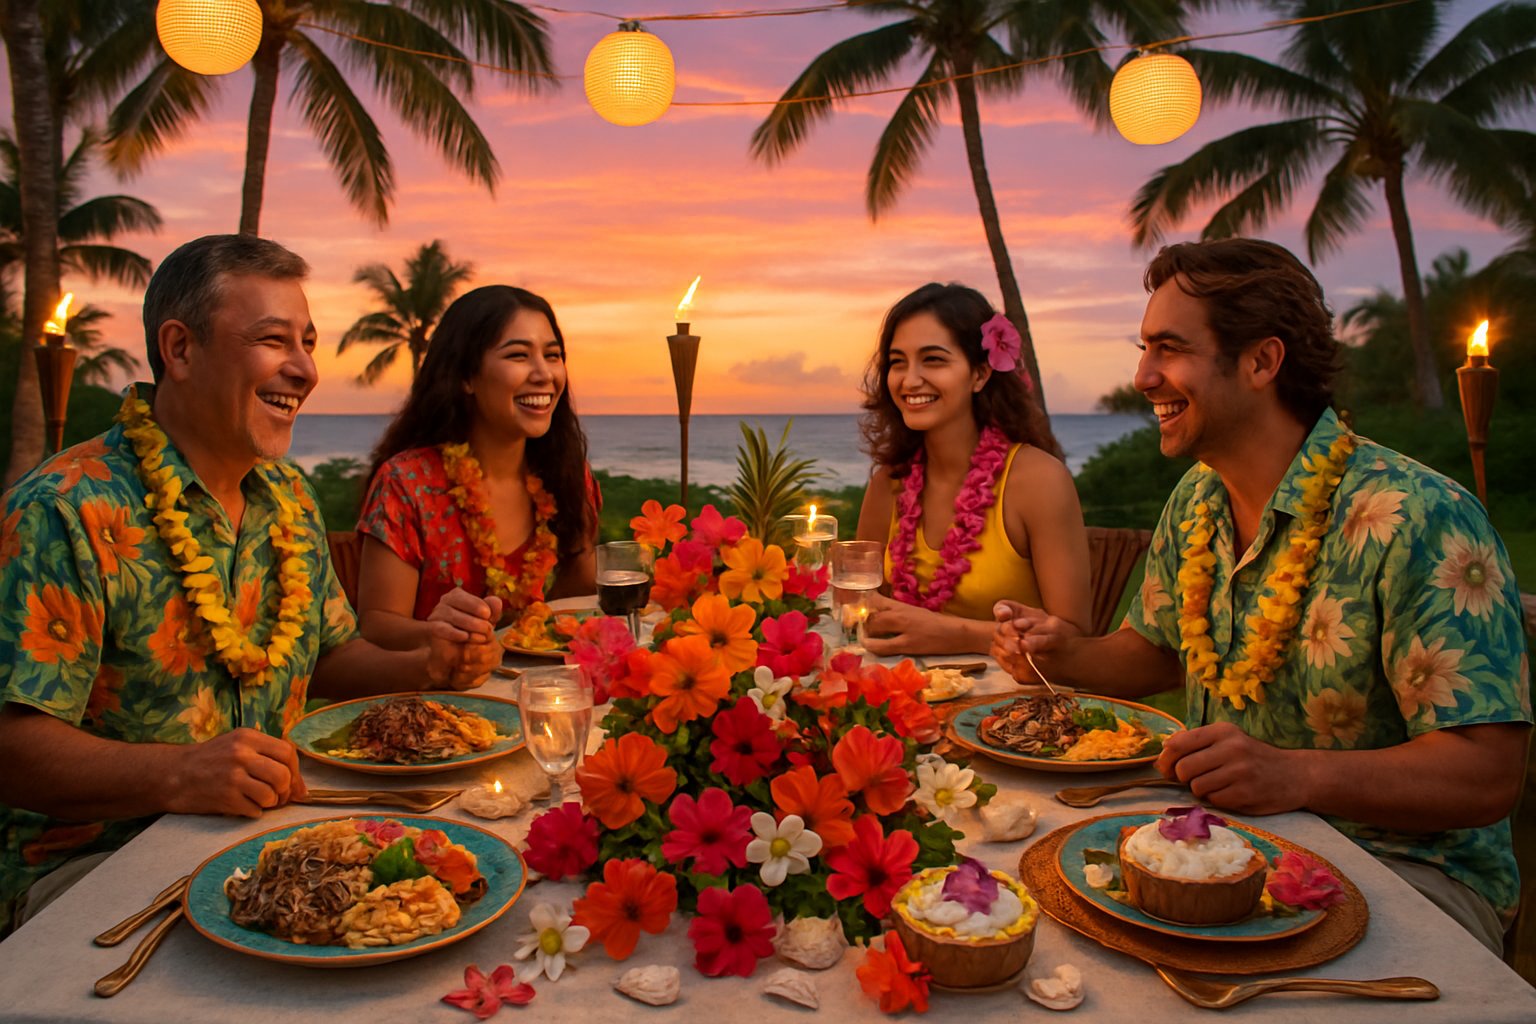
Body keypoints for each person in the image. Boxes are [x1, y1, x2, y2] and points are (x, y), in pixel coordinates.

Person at [992, 238, 1531, 953]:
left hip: (1408, 870)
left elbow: (1487, 774)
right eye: (1144, 347)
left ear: (1262, 361)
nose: (1143, 375)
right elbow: (1155, 655)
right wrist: (1065, 654)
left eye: (1168, 348)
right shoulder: (1197, 499)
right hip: (1224, 848)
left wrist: (1295, 773)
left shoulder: (1418, 517)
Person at [0, 234, 503, 936]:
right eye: (274, 341)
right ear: (180, 350)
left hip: (271, 846)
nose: (303, 369)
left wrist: (427, 664)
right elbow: (13, 747)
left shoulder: (288, 494)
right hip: (99, 866)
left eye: (308, 343)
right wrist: (176, 775)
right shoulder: (66, 508)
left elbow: (328, 656)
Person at [355, 285, 598, 652]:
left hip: (548, 690)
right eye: (518, 355)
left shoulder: (566, 473)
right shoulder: (408, 483)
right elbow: (378, 625)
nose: (543, 374)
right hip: (438, 697)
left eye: (553, 355)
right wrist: (446, 637)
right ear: (466, 376)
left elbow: (580, 595)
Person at [855, 282, 1091, 656]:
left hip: (1018, 706)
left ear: (980, 374)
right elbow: (859, 612)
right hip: (903, 700)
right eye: (898, 362)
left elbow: (1074, 638)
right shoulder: (890, 484)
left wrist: (956, 635)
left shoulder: (1038, 481)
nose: (910, 379)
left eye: (933, 359)